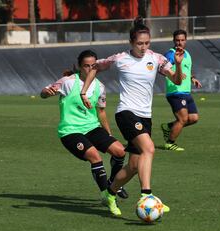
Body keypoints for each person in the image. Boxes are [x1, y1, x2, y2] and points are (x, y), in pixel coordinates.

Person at [80, 17, 185, 216]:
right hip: (126, 113)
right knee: (150, 148)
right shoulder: (120, 59)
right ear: (131, 43)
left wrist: (178, 65)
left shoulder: (156, 58)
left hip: (145, 117)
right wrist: (84, 92)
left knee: (135, 165)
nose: (144, 47)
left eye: (147, 43)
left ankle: (110, 193)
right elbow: (95, 67)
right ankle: (147, 195)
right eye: (139, 43)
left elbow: (177, 80)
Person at [40, 50, 128, 216]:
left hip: (92, 127)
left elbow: (101, 112)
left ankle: (113, 182)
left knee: (120, 151)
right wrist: (47, 93)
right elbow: (44, 93)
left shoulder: (100, 87)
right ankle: (107, 196)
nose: (89, 69)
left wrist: (109, 134)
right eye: (86, 66)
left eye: (93, 66)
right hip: (70, 130)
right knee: (95, 156)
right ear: (80, 67)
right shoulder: (68, 82)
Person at [161, 29, 202, 151]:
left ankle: (169, 127)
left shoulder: (187, 54)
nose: (180, 42)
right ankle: (170, 143)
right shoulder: (171, 54)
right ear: (174, 41)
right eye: (177, 40)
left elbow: (186, 70)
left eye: (182, 40)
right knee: (183, 119)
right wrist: (174, 73)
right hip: (175, 91)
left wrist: (192, 79)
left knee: (193, 118)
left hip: (186, 92)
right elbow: (163, 68)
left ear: (186, 40)